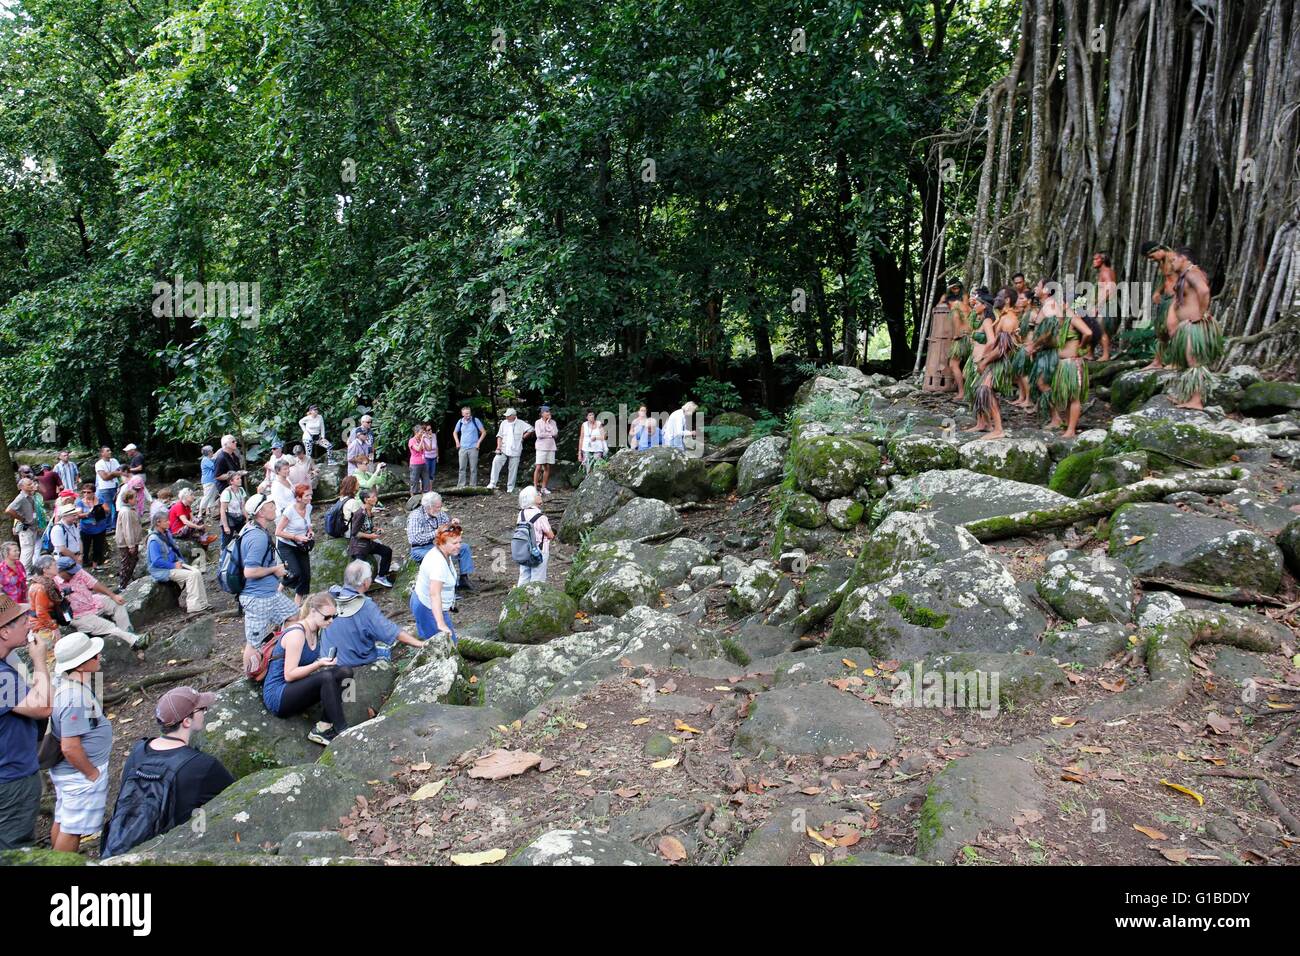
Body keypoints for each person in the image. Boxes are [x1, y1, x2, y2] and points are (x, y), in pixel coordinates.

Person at [104, 686, 234, 855]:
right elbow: (235, 796)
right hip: (172, 851)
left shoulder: (138, 751)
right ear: (187, 721)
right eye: (202, 709)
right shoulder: (204, 766)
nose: (205, 712)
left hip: (119, 849)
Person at [47, 632, 112, 854]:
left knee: (64, 819)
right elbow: (69, 746)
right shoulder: (73, 697)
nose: (99, 657)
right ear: (81, 664)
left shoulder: (67, 684)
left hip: (71, 775)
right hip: (79, 775)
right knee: (73, 829)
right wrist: (92, 773)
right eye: (94, 656)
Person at [261, 592, 351, 746]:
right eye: (327, 617)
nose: (330, 621)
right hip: (279, 695)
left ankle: (323, 727)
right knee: (326, 677)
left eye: (333, 617)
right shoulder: (297, 633)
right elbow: (289, 675)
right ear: (313, 612)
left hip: (295, 688)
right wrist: (319, 664)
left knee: (345, 672)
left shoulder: (317, 630)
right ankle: (344, 731)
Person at [0, 596, 51, 850]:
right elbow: (43, 707)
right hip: (12, 779)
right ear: (4, 632)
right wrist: (40, 660)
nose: (29, 626)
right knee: (14, 848)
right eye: (22, 622)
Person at [237, 494, 299, 674]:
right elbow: (249, 571)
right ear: (261, 512)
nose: (275, 508)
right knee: (254, 643)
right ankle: (250, 676)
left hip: (269, 594)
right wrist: (275, 570)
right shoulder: (257, 537)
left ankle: (283, 657)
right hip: (257, 598)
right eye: (271, 505)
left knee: (294, 616)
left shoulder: (252, 529)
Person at [328, 561, 424, 666]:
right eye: (370, 576)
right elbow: (391, 631)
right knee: (385, 652)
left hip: (329, 655)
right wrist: (420, 644)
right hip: (350, 661)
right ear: (365, 582)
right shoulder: (365, 606)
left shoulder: (331, 595)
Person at [1165, 246, 1222, 410]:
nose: (1172, 263)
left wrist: (1201, 314)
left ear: (1184, 259)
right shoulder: (1184, 275)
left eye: (1174, 259)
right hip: (1186, 327)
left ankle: (1196, 401)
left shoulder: (1192, 273)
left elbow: (1204, 291)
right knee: (1186, 362)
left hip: (1194, 326)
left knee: (1194, 362)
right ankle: (1187, 396)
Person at [58, 556, 145, 649]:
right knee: (109, 626)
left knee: (117, 604)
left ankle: (128, 632)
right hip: (79, 615)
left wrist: (113, 596)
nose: (73, 574)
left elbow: (94, 583)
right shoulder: (54, 583)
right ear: (60, 571)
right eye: (70, 573)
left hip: (93, 602)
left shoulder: (77, 572)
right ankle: (135, 640)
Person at [146, 510, 211, 616]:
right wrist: (173, 565)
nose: (169, 523)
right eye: (166, 521)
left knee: (196, 572)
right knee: (191, 575)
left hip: (175, 563)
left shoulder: (166, 533)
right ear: (158, 522)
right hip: (163, 570)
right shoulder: (153, 540)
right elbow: (156, 561)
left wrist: (179, 562)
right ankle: (193, 606)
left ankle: (203, 603)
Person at [407, 492, 475, 590]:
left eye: (440, 506)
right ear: (429, 507)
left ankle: (464, 578)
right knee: (441, 556)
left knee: (464, 548)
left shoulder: (439, 513)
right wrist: (436, 532)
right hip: (420, 549)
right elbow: (414, 539)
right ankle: (445, 587)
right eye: (437, 507)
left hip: (439, 543)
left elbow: (446, 525)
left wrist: (452, 524)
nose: (440, 509)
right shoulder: (416, 517)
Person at [1052, 296, 1096, 438]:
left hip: (1072, 363)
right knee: (1066, 396)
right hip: (1063, 364)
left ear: (1066, 304)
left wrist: (1082, 346)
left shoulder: (1074, 319)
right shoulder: (1065, 321)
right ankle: (1067, 427)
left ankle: (1071, 430)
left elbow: (1088, 333)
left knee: (1074, 397)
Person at [411, 526, 462, 642]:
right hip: (427, 607)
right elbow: (434, 594)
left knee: (448, 643)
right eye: (454, 543)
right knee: (447, 645)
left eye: (460, 542)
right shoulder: (438, 564)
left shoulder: (444, 554)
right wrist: (440, 623)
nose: (458, 546)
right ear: (442, 543)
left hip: (427, 604)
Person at [1140, 241, 1177, 370]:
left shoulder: (1174, 259)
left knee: (1173, 330)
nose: (1151, 260)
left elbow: (1185, 277)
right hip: (1165, 299)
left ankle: (1176, 361)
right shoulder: (1162, 262)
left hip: (1175, 299)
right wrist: (1157, 291)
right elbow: (1165, 279)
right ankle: (1157, 361)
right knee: (1161, 332)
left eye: (1151, 257)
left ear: (1158, 250)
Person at [275, 483, 314, 605]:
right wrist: (296, 537)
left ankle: (297, 605)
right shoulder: (289, 511)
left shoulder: (308, 507)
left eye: (310, 495)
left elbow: (307, 524)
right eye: (307, 496)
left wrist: (310, 532)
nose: (310, 498)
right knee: (295, 573)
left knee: (305, 576)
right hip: (287, 545)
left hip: (301, 545)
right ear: (298, 498)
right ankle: (277, 594)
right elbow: (278, 532)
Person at [348, 487, 393, 588]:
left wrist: (376, 529)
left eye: (375, 496)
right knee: (360, 569)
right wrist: (370, 536)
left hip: (368, 543)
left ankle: (381, 576)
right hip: (359, 546)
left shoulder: (369, 512)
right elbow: (355, 532)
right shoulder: (360, 513)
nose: (375, 498)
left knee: (387, 551)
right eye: (373, 497)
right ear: (366, 500)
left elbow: (368, 526)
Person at [515, 486, 555, 584]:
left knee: (524, 576)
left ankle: (520, 597)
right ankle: (535, 598)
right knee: (538, 579)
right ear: (532, 498)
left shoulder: (521, 514)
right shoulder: (541, 517)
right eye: (537, 494)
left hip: (524, 550)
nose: (540, 495)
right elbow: (550, 535)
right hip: (539, 551)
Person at [488, 408, 533, 494]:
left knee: (513, 468)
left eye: (508, 416)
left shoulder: (521, 423)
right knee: (496, 462)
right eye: (506, 416)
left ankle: (510, 487)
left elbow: (531, 429)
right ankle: (492, 483)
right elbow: (499, 436)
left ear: (513, 416)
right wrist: (498, 447)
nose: (506, 417)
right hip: (503, 448)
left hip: (516, 449)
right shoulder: (503, 423)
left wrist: (523, 437)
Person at [168, 487, 218, 562]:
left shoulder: (187, 506)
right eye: (191, 495)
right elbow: (185, 521)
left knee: (199, 520)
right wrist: (198, 527)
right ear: (185, 496)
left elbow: (193, 518)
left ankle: (204, 542)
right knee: (198, 525)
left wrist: (201, 525)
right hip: (177, 531)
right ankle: (204, 539)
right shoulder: (179, 506)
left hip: (184, 528)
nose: (193, 497)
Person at [27, 556, 69, 638]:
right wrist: (53, 628)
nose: (58, 567)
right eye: (54, 565)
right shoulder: (41, 588)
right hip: (41, 626)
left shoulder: (48, 583)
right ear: (45, 570)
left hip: (46, 621)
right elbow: (41, 613)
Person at [76, 483, 111, 572]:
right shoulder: (80, 502)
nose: (86, 494)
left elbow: (107, 510)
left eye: (89, 492)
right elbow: (78, 515)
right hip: (86, 529)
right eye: (84, 492)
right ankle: (83, 566)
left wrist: (99, 509)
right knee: (85, 548)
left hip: (100, 528)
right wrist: (89, 513)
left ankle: (95, 566)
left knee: (98, 547)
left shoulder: (100, 500)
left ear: (93, 493)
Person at [6, 477, 38, 568]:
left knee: (30, 551)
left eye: (32, 483)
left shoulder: (30, 496)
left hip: (32, 527)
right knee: (27, 551)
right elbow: (9, 510)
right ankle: (24, 574)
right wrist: (21, 519)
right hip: (25, 528)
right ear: (22, 487)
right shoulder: (20, 498)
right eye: (29, 484)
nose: (32, 485)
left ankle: (27, 572)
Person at [1091, 252, 1119, 361]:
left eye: (1095, 259)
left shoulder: (1106, 272)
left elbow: (1110, 289)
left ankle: (1106, 355)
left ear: (1102, 260)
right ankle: (1095, 353)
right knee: (1098, 329)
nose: (1093, 261)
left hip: (1107, 304)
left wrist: (1098, 306)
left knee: (1101, 329)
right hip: (1106, 303)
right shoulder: (1105, 271)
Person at [115, 487, 143, 592]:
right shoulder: (126, 512)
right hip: (126, 543)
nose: (137, 499)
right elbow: (127, 530)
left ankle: (125, 582)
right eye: (135, 497)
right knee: (127, 563)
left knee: (132, 561)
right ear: (129, 499)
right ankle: (122, 585)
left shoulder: (130, 510)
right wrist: (131, 545)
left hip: (131, 542)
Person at [453, 407, 486, 487]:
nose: (468, 415)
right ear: (462, 414)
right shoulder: (460, 421)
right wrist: (457, 442)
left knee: (473, 468)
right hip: (463, 448)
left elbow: (484, 432)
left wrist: (478, 443)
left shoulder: (475, 420)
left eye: (469, 413)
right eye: (466, 413)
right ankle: (461, 485)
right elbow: (455, 432)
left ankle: (472, 486)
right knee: (462, 468)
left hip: (473, 448)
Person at [532, 405, 559, 494]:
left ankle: (543, 487)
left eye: (549, 412)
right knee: (539, 466)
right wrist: (549, 435)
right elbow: (539, 435)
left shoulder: (553, 422)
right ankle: (535, 488)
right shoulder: (538, 422)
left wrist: (548, 423)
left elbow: (555, 433)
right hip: (541, 447)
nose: (549, 413)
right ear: (542, 413)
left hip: (551, 447)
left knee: (547, 467)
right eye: (547, 412)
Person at [93, 446, 123, 525]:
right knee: (107, 508)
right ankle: (107, 526)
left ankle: (115, 524)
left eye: (110, 450)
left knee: (117, 506)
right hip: (105, 488)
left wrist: (109, 474)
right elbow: (104, 477)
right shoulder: (99, 464)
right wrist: (113, 473)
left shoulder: (114, 461)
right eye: (107, 450)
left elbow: (120, 472)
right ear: (102, 453)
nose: (110, 452)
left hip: (115, 486)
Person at [218, 470, 247, 549]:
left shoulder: (241, 490)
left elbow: (242, 507)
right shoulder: (226, 493)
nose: (240, 480)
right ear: (231, 481)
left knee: (244, 534)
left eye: (240, 478)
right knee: (227, 539)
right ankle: (223, 556)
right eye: (237, 479)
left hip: (239, 516)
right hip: (228, 517)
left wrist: (247, 518)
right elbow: (222, 511)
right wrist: (225, 526)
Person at [49, 501, 84, 566]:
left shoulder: (74, 525)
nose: (76, 517)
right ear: (65, 516)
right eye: (74, 515)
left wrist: (81, 555)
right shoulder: (58, 529)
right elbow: (62, 549)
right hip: (64, 560)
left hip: (77, 558)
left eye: (76, 515)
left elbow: (79, 540)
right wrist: (76, 558)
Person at [408, 423, 433, 494]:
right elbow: (418, 449)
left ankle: (426, 496)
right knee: (414, 482)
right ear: (416, 433)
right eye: (421, 432)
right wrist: (422, 439)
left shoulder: (421, 440)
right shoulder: (411, 441)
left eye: (423, 432)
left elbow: (429, 449)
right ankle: (414, 498)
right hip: (415, 464)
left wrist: (430, 439)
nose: (422, 434)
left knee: (426, 481)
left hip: (423, 463)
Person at [198, 445, 218, 523]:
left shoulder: (208, 459)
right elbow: (214, 467)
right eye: (211, 451)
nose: (213, 452)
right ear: (209, 452)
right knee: (207, 496)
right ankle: (200, 513)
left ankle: (209, 512)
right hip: (208, 481)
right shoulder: (205, 460)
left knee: (212, 497)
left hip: (212, 481)